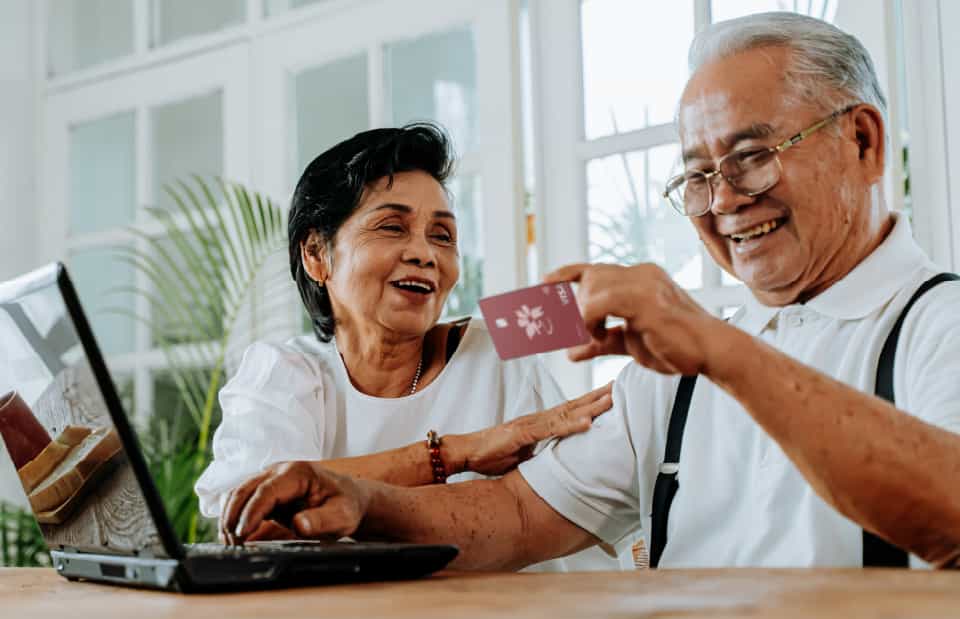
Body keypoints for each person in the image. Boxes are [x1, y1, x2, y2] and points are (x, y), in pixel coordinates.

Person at [218, 13, 960, 570]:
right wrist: (373, 502)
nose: (725, 199)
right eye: (699, 175)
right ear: (316, 257)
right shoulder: (285, 370)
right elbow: (513, 509)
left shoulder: (939, 323)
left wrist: (713, 344)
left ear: (862, 141)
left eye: (753, 156)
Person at [194, 123, 619, 571]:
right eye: (392, 227)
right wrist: (454, 452)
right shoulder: (283, 371)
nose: (424, 254)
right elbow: (257, 517)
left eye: (442, 236)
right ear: (317, 255)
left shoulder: (495, 350)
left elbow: (575, 510)